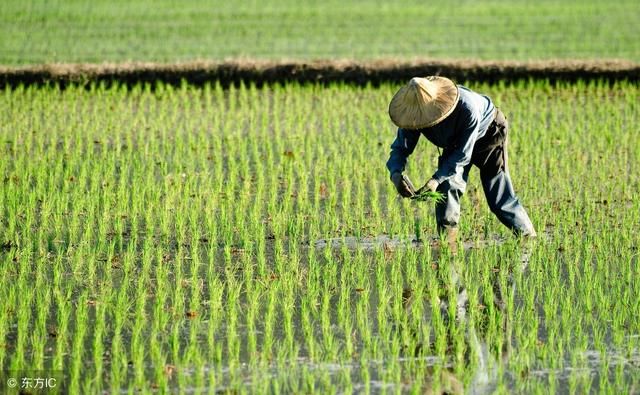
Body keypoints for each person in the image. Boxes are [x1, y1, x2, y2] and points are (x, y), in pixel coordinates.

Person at [386, 76, 536, 245]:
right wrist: (396, 174)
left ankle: (527, 237)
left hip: (489, 134)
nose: (423, 121)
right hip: (454, 141)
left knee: (497, 192)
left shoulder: (467, 108)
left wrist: (435, 179)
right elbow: (400, 148)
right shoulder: (414, 115)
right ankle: (447, 241)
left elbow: (463, 154)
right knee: (448, 187)